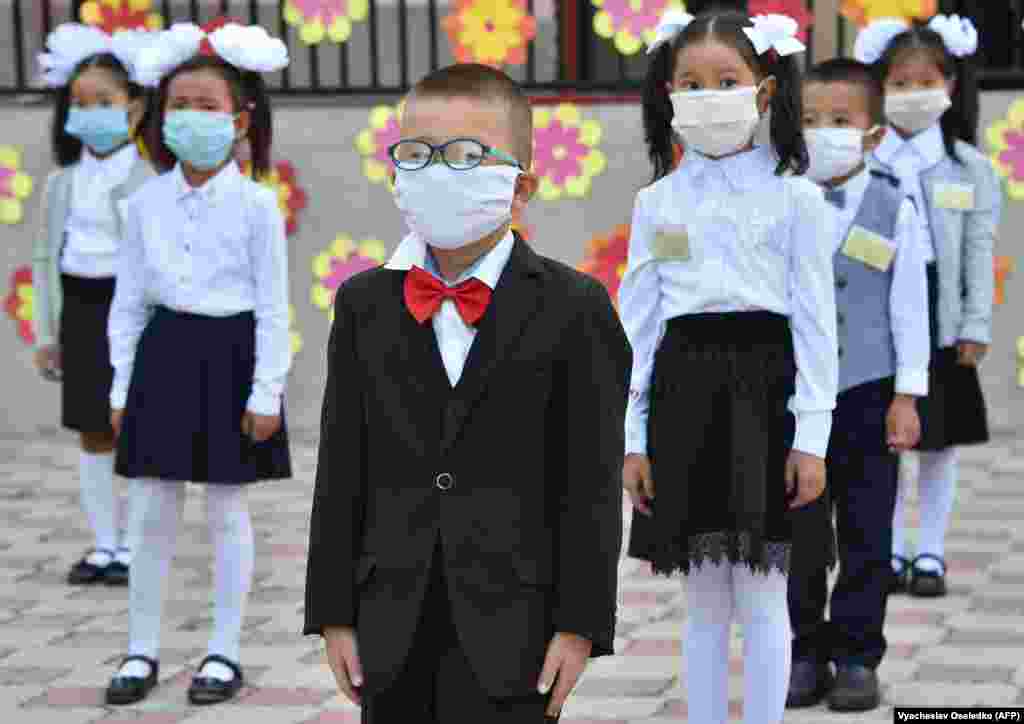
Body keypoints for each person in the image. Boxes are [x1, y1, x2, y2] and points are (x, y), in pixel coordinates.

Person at [303, 63, 631, 723]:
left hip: (518, 628)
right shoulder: (364, 304)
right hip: (388, 620)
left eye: (466, 156)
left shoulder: (576, 307)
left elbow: (590, 484)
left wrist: (581, 626)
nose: (437, 172)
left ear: (520, 188)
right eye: (418, 155)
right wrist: (333, 613)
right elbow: (342, 468)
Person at [621, 9, 838, 724]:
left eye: (727, 80)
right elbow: (640, 327)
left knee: (765, 594)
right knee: (705, 599)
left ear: (764, 91)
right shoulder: (656, 203)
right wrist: (633, 435)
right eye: (691, 82)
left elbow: (814, 325)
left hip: (766, 398)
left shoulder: (798, 200)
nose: (709, 95)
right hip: (686, 400)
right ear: (669, 94)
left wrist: (812, 434)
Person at [103, 20, 291, 706]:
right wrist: (121, 386)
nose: (191, 119)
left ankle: (224, 650)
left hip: (232, 358)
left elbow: (275, 307)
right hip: (163, 358)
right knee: (148, 511)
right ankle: (140, 649)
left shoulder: (258, 207)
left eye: (207, 106)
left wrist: (267, 390)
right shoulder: (143, 203)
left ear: (241, 120)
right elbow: (126, 307)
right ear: (159, 118)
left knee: (225, 513)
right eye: (179, 106)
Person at [786, 57, 930, 712]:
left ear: (872, 133)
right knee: (802, 535)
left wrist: (908, 393)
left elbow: (908, 306)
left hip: (870, 393)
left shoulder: (895, 202)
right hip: (796, 400)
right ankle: (803, 650)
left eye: (839, 121)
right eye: (811, 120)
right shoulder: (782, 199)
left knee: (869, 532)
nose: (823, 132)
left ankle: (857, 655)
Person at [855, 15, 1001, 598]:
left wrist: (974, 324)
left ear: (951, 86)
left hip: (942, 322)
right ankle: (887, 551)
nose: (913, 95)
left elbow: (977, 252)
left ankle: (932, 552)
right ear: (878, 89)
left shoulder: (971, 168)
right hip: (882, 322)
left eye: (926, 82)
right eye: (899, 83)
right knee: (885, 444)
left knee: (938, 444)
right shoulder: (864, 163)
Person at [34, 23, 153, 587]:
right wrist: (46, 331)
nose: (90, 114)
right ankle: (105, 544)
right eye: (79, 104)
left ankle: (137, 545)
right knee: (90, 429)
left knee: (131, 422)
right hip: (81, 307)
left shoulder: (150, 180)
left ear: (133, 107)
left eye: (103, 101)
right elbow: (45, 259)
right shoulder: (60, 183)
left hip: (129, 310)